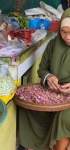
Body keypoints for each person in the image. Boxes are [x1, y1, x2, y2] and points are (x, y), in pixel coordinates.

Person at [18, 7, 70, 150]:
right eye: (63, 32)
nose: (67, 37)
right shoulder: (53, 45)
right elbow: (42, 69)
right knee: (27, 108)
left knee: (65, 116)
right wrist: (49, 77)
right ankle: (34, 146)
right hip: (52, 91)